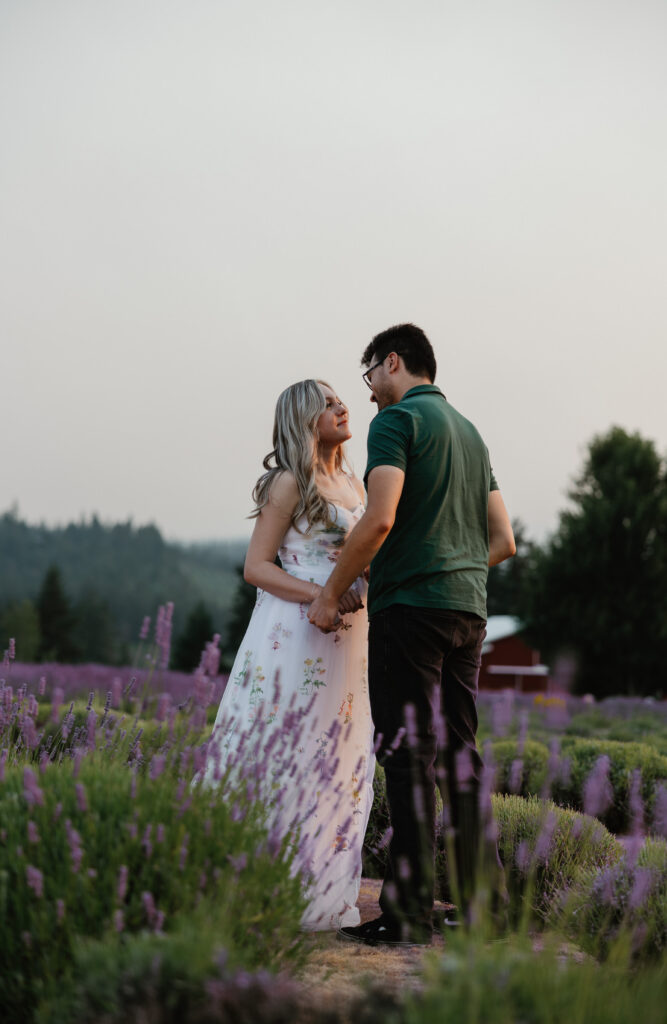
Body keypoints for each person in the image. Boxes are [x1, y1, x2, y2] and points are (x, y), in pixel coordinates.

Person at [309, 324, 516, 946]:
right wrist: (453, 569)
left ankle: (405, 916)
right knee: (461, 757)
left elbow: (379, 518)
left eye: (370, 373)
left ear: (392, 363)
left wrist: (327, 594)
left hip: (410, 612)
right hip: (468, 612)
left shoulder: (397, 423)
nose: (368, 390)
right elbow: (502, 541)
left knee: (407, 758)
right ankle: (486, 909)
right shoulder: (472, 434)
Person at [202, 379, 375, 931]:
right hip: (293, 635)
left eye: (340, 398)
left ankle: (322, 887)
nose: (342, 406)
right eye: (327, 403)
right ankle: (257, 884)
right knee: (283, 752)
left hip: (352, 638)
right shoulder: (288, 482)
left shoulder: (353, 481)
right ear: (304, 419)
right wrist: (322, 596)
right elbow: (257, 567)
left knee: (340, 757)